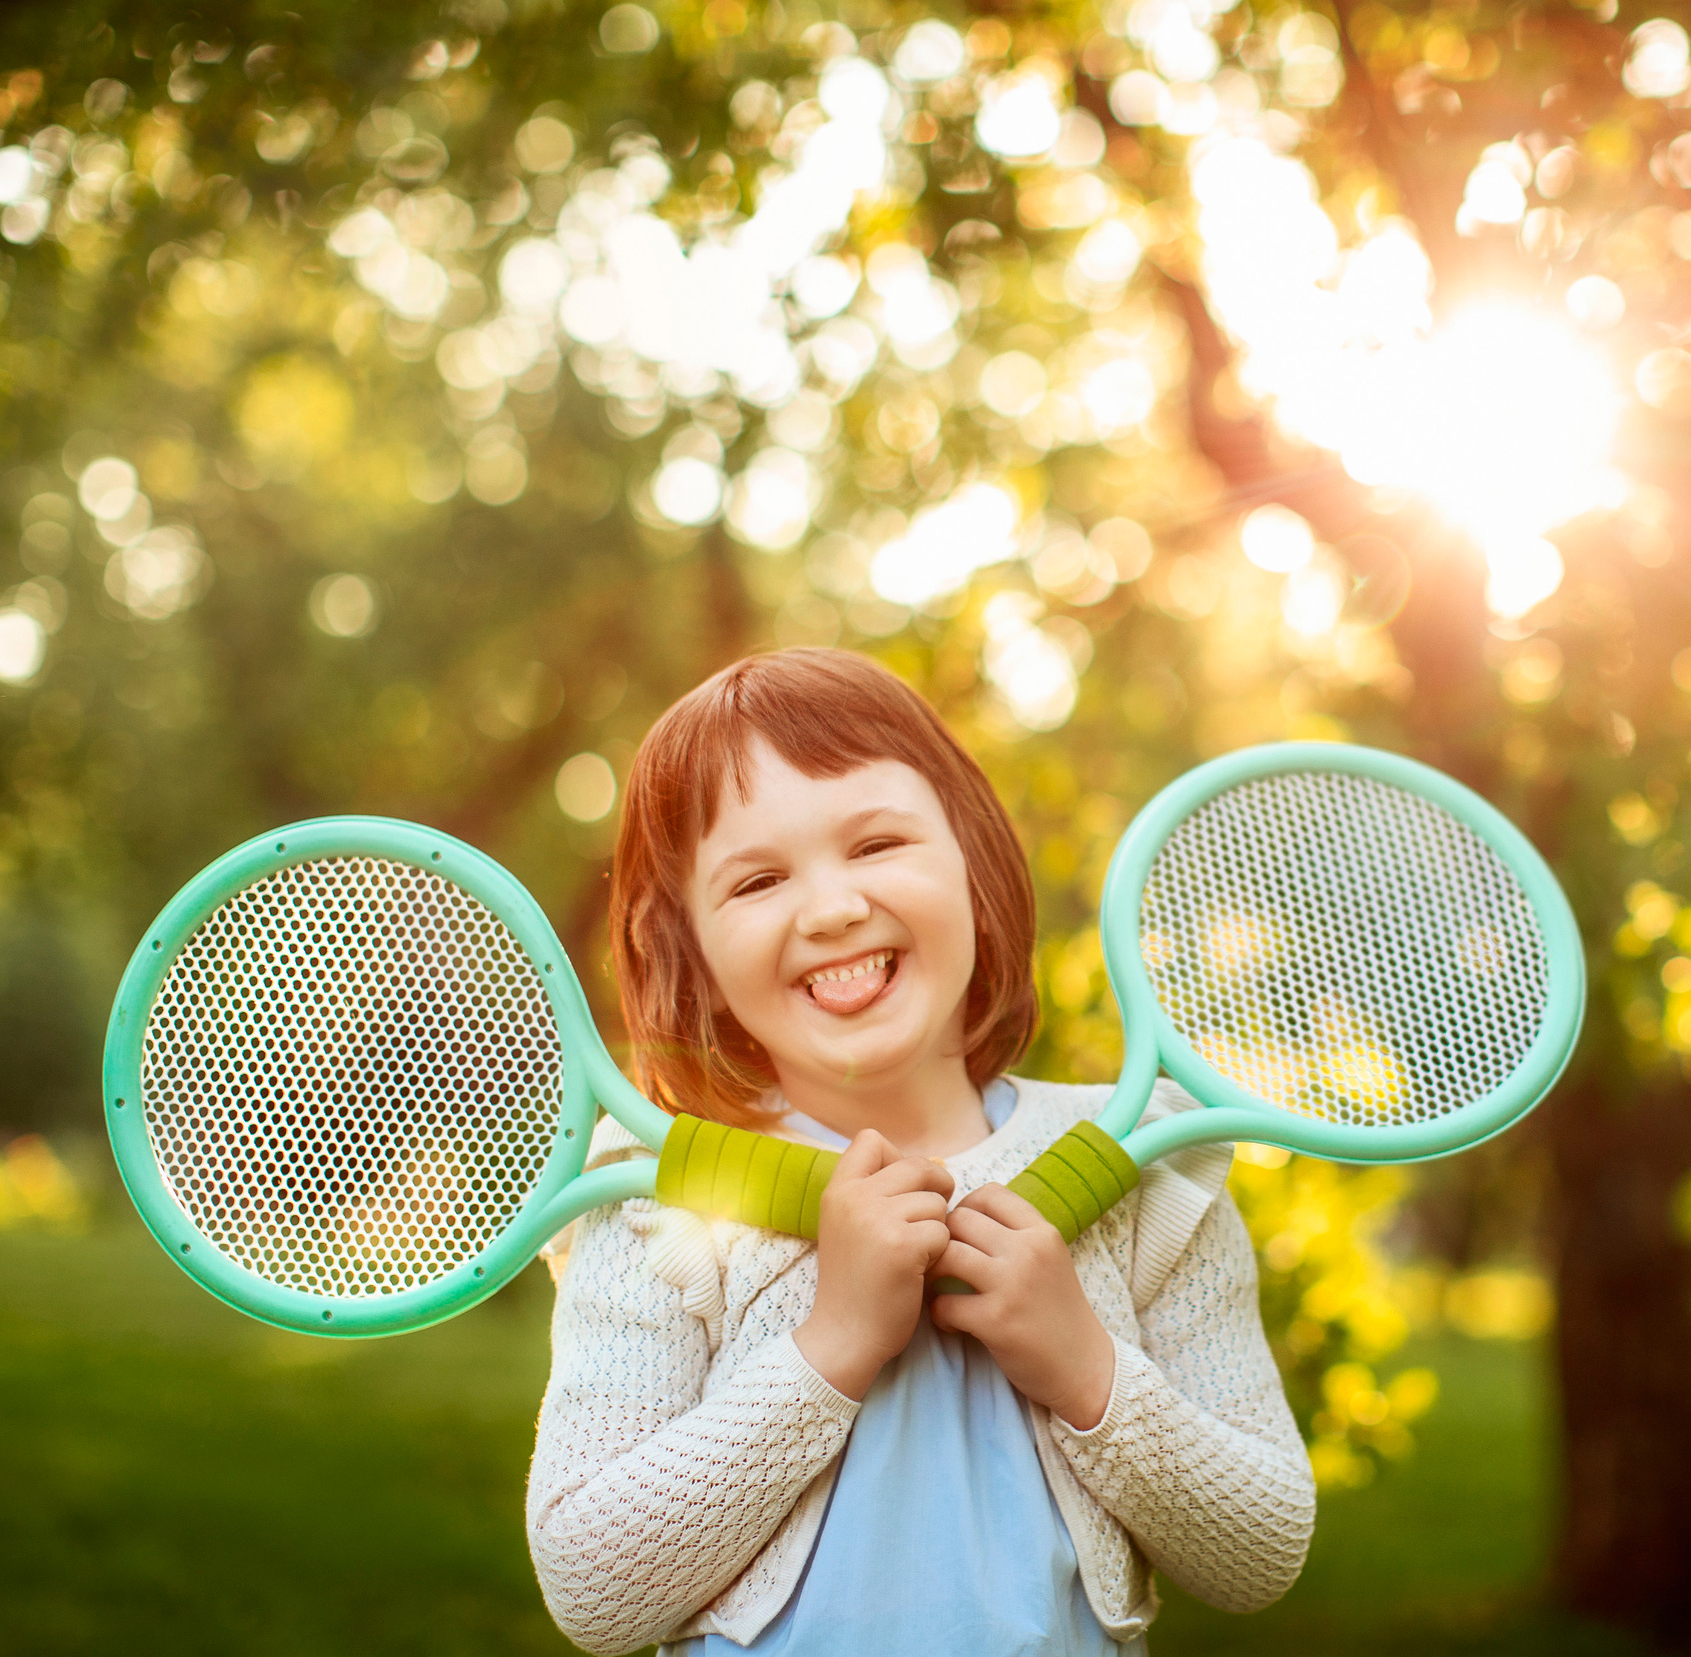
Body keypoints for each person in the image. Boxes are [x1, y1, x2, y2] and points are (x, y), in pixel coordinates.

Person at [525, 648, 1315, 1656]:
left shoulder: (1146, 1170)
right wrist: (834, 1343)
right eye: (759, 879)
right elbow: (592, 1588)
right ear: (693, 950)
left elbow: (1261, 1553)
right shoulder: (658, 1201)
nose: (832, 909)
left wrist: (1085, 1368)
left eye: (876, 843)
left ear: (971, 862)